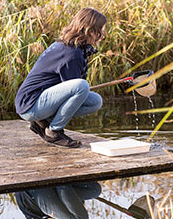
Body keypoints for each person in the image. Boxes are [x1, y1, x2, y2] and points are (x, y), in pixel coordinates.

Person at [16, 8, 106, 148]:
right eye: (101, 30)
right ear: (90, 30)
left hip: (40, 101)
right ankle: (54, 132)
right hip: (30, 104)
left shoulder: (72, 47)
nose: (102, 35)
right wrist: (80, 89)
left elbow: (69, 90)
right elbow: (76, 86)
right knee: (81, 86)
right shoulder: (71, 53)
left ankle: (42, 122)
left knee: (95, 101)